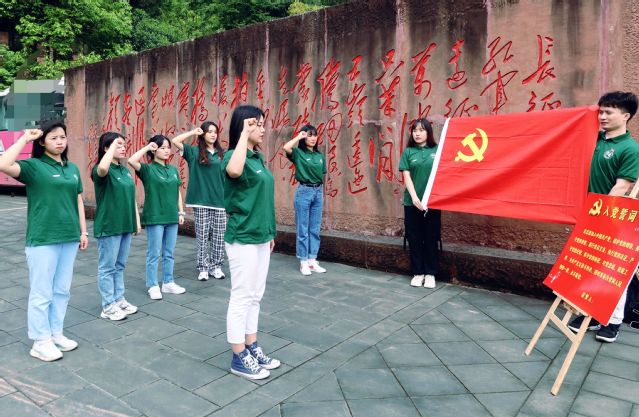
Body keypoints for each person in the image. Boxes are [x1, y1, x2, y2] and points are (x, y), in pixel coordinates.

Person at [0, 123, 87, 361]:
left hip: (69, 236)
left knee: (62, 290)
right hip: (43, 237)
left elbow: (78, 200)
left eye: (63, 137)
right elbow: (3, 164)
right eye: (53, 138)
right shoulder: (34, 166)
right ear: (42, 142)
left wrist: (83, 232)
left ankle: (55, 333)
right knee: (42, 291)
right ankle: (40, 341)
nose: (60, 141)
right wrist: (24, 138)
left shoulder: (72, 168)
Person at [568, 91, 639, 343]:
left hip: (612, 217)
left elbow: (622, 186)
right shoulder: (594, 139)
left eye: (609, 112)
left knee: (613, 271)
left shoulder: (630, 148)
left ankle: (613, 321)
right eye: (601, 111)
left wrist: (600, 216)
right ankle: (593, 315)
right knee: (590, 268)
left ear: (626, 116)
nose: (603, 116)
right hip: (588, 213)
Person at [223, 105, 280, 379]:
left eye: (262, 124)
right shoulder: (232, 156)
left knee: (256, 295)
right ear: (243, 126)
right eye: (257, 124)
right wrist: (244, 136)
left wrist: (270, 233)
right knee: (242, 295)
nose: (263, 129)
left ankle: (251, 345)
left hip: (261, 236)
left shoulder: (258, 158)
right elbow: (234, 171)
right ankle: (238, 356)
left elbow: (264, 200)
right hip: (242, 236)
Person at [128, 135, 186, 300]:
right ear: (154, 150)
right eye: (162, 147)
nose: (167, 150)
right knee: (154, 253)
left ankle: (168, 282)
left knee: (169, 253)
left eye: (168, 147)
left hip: (172, 217)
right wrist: (148, 147)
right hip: (155, 217)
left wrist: (181, 212)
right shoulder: (147, 170)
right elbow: (131, 160)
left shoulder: (173, 170)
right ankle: (152, 285)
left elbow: (177, 192)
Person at [92, 132, 140, 321]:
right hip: (109, 225)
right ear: (106, 148)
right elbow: (102, 168)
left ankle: (119, 299)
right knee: (107, 267)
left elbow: (131, 197)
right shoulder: (101, 170)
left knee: (119, 265)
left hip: (125, 224)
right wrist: (111, 149)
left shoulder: (124, 170)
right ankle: (107, 305)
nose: (123, 147)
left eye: (123, 144)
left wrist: (136, 221)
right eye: (117, 145)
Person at [171, 122, 226, 281]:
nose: (213, 134)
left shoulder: (222, 154)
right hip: (200, 200)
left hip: (220, 201)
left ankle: (216, 266)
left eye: (215, 132)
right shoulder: (193, 152)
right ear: (203, 134)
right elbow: (175, 141)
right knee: (202, 236)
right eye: (209, 131)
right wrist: (193, 132)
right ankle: (203, 267)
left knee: (219, 237)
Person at [399, 118, 441, 289]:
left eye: (421, 130)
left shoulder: (437, 150)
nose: (417, 133)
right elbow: (406, 175)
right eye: (415, 130)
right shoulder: (408, 152)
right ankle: (418, 273)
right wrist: (415, 198)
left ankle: (430, 273)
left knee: (431, 238)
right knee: (414, 238)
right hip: (412, 203)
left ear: (428, 132)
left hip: (433, 203)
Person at [282, 124, 328, 276]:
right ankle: (303, 261)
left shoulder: (320, 156)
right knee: (303, 228)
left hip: (318, 192)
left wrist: (319, 192)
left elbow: (322, 175)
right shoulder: (298, 153)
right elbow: (286, 147)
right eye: (309, 135)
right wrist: (299, 136)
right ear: (304, 137)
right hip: (304, 191)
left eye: (315, 135)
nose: (313, 138)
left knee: (314, 228)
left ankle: (312, 260)